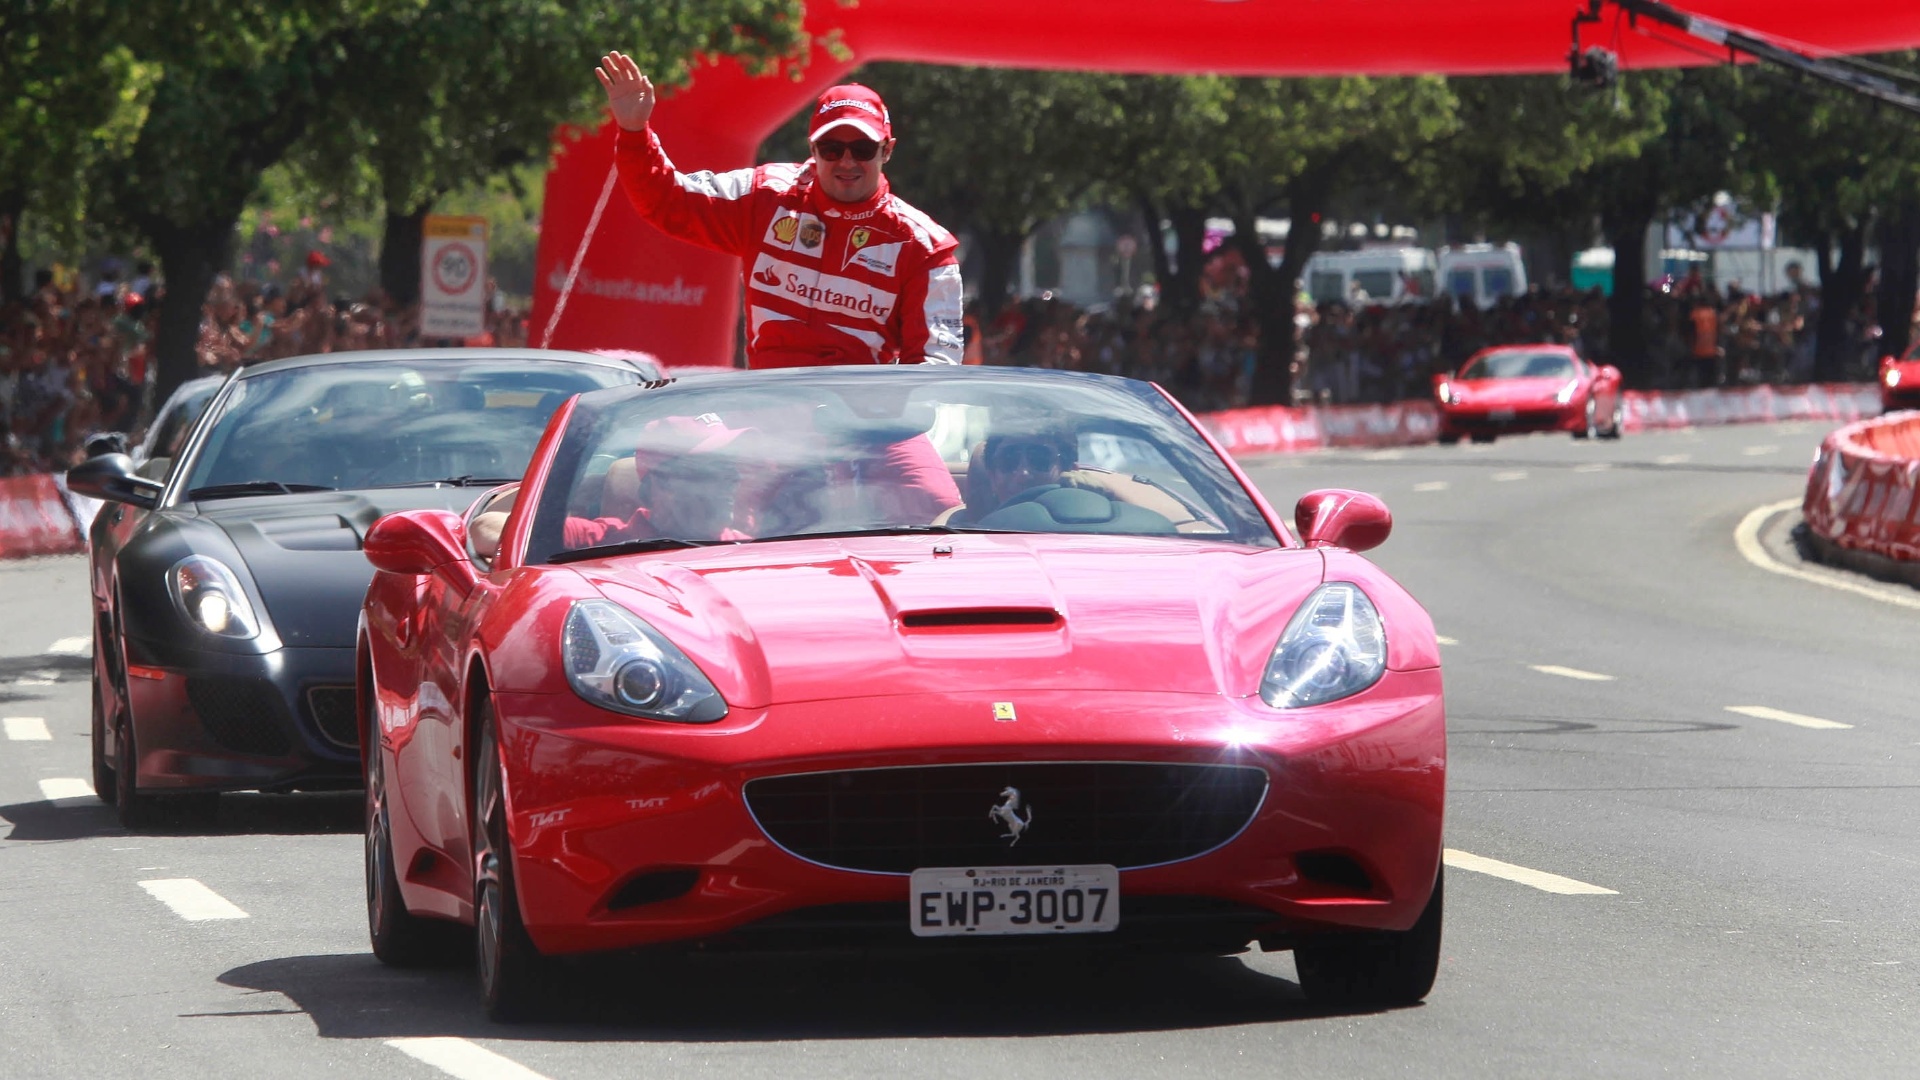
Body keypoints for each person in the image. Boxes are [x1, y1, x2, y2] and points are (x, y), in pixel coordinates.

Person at [595, 51, 964, 368]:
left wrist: (881, 420)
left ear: (887, 150)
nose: (847, 161)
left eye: (863, 149)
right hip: (769, 416)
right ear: (813, 148)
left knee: (925, 458)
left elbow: (935, 367)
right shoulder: (764, 195)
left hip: (865, 430)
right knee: (661, 443)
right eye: (832, 148)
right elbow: (667, 200)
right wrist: (634, 131)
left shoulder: (925, 248)